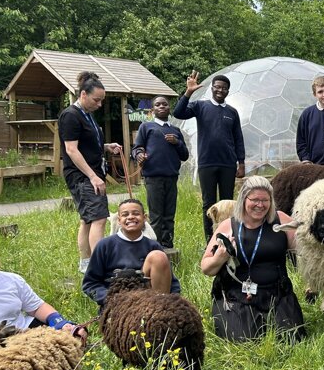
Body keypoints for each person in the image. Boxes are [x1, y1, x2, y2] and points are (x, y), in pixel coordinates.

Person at [0, 233, 86, 370]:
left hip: (23, 335)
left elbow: (37, 308)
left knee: (74, 334)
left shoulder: (12, 281)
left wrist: (59, 322)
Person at [201, 176, 305, 342]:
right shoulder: (228, 225)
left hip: (277, 293)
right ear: (243, 199)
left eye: (265, 200)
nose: (260, 205)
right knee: (243, 339)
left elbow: (306, 247)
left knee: (291, 337)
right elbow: (206, 268)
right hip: (236, 296)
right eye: (255, 199)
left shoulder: (281, 220)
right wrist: (219, 258)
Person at [58, 71, 122, 273]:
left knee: (87, 219)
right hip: (83, 176)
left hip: (91, 173)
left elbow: (86, 144)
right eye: (96, 100)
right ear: (83, 94)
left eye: (102, 100)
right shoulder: (71, 115)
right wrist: (93, 176)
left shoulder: (87, 115)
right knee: (99, 218)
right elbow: (71, 149)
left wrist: (105, 146)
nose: (99, 104)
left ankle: (86, 264)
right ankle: (99, 266)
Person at [173, 71, 245, 244]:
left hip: (228, 163)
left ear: (228, 91)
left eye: (224, 88)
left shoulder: (232, 112)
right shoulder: (200, 106)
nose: (220, 90)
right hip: (207, 162)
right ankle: (210, 240)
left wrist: (241, 162)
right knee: (208, 203)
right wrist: (188, 92)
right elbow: (178, 113)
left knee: (227, 202)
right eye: (217, 87)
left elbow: (238, 138)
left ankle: (228, 237)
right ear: (212, 88)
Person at [82, 199, 180, 310]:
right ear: (119, 220)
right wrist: (110, 298)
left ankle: (159, 312)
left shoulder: (153, 246)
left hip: (149, 302)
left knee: (158, 257)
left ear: (145, 218)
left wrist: (174, 302)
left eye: (136, 213)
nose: (130, 217)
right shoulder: (105, 245)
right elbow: (90, 283)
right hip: (117, 304)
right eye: (125, 215)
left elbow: (171, 282)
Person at [131, 96, 189, 248]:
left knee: (169, 214)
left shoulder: (175, 131)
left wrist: (177, 143)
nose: (162, 106)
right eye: (158, 105)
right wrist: (139, 156)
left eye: (165, 104)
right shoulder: (146, 127)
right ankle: (154, 246)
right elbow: (136, 148)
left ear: (169, 108)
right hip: (153, 177)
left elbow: (185, 155)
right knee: (156, 215)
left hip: (171, 177)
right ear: (152, 110)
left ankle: (168, 244)